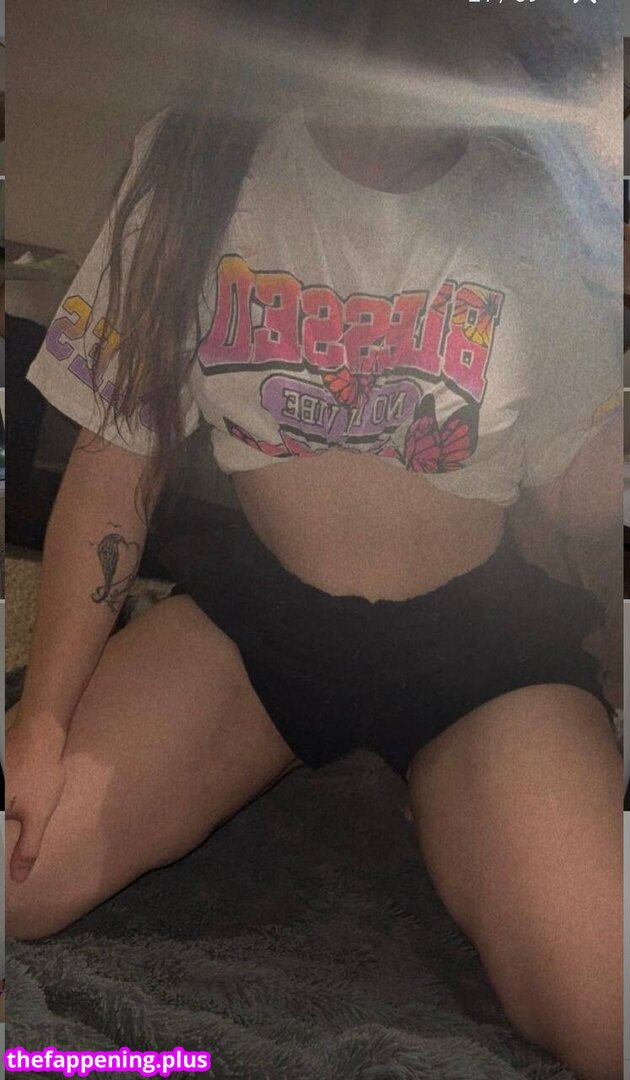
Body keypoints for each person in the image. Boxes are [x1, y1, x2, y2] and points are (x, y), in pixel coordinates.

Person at [6, 3, 622, 1077]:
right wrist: (44, 720)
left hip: (478, 654)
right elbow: (112, 467)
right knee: (21, 874)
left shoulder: (541, 198)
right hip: (260, 619)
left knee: (611, 1016)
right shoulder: (195, 164)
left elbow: (579, 492)